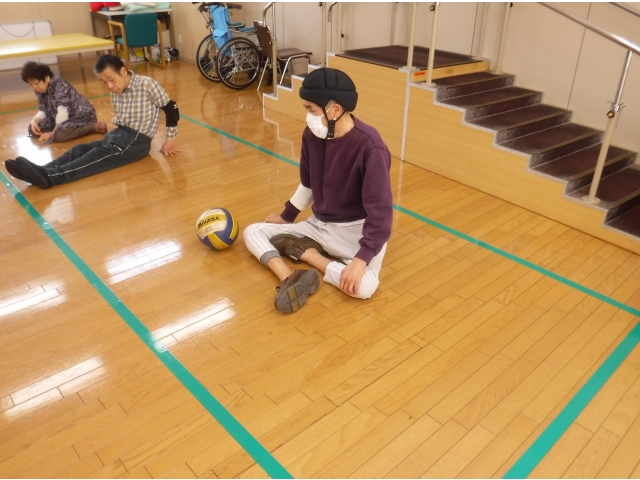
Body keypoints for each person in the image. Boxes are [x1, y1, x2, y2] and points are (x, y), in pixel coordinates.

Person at [243, 68, 393, 314]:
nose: (308, 117)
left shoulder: (371, 147)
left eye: (311, 110)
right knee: (253, 231)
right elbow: (309, 183)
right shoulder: (312, 135)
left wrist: (360, 260)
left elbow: (381, 213)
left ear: (334, 110)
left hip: (355, 232)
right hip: (319, 225)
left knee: (364, 287)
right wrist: (286, 217)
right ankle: (288, 277)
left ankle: (310, 256)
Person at [5, 54, 180, 189]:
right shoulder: (116, 90)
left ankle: (51, 177)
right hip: (118, 134)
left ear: (123, 71)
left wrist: (169, 141)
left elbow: (171, 108)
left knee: (94, 157)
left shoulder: (146, 84)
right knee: (79, 150)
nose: (109, 86)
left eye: (111, 79)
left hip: (136, 142)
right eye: (104, 82)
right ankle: (41, 170)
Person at [21, 61, 106, 144]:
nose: (35, 87)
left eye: (36, 83)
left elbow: (63, 113)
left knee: (58, 135)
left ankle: (93, 127)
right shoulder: (40, 89)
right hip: (58, 118)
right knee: (33, 129)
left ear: (46, 78)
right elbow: (43, 109)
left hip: (81, 117)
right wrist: (34, 121)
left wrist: (52, 133)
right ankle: (61, 130)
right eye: (31, 84)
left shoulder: (59, 86)